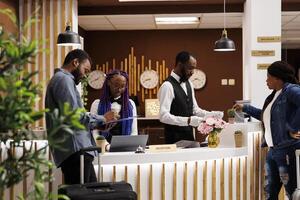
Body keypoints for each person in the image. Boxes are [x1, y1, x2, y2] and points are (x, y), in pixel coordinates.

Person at [45, 49, 116, 184]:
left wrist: (99, 122)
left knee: (88, 193)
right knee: (81, 194)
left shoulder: (62, 80)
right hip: (76, 151)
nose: (85, 76)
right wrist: (103, 118)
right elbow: (75, 117)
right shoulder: (63, 80)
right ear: (75, 62)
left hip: (78, 151)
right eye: (86, 70)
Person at [233, 61, 300, 200]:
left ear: (278, 78)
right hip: (273, 151)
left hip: (287, 149)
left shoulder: (291, 90)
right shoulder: (274, 95)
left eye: (268, 77)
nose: (266, 80)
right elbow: (266, 117)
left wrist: (293, 127)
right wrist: (245, 108)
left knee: (291, 191)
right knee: (269, 191)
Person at [158, 51, 223, 144]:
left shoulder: (189, 84)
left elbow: (194, 110)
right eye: (190, 68)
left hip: (189, 138)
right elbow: (163, 116)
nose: (192, 72)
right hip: (173, 142)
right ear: (180, 65)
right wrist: (188, 120)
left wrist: (212, 115)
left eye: (194, 69)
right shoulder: (167, 86)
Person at [90, 70, 138, 143]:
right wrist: (106, 146)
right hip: (103, 148)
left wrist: (128, 145)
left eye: (122, 86)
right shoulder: (96, 104)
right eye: (116, 85)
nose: (119, 89)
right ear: (108, 83)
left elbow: (134, 132)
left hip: (125, 148)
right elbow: (95, 132)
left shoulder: (131, 104)